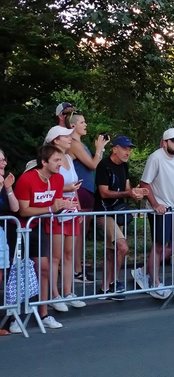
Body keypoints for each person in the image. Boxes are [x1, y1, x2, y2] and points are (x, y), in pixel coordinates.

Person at [14, 145, 79, 329]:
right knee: (19, 271)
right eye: (57, 161)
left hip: (39, 228)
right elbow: (23, 209)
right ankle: (16, 316)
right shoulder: (27, 179)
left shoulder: (57, 179)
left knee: (43, 268)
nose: (61, 164)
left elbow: (55, 205)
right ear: (44, 162)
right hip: (19, 229)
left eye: (61, 160)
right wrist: (52, 208)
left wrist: (66, 206)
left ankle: (44, 314)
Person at [133, 128, 174, 300]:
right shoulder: (156, 157)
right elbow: (144, 183)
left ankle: (144, 270)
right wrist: (155, 205)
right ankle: (154, 282)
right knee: (159, 245)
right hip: (160, 210)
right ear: (165, 142)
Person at [94, 135, 147, 299]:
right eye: (125, 148)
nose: (128, 152)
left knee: (112, 251)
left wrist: (135, 193)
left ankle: (105, 287)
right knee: (122, 247)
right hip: (104, 211)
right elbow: (103, 192)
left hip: (118, 211)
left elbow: (127, 187)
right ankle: (113, 283)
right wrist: (128, 193)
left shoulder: (124, 166)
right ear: (114, 148)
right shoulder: (103, 165)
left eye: (130, 148)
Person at [44, 126, 86, 311]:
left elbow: (74, 187)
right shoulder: (51, 160)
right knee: (55, 256)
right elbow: (49, 187)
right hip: (57, 211)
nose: (70, 138)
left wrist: (79, 208)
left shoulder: (68, 158)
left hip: (71, 212)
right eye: (66, 136)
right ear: (55, 140)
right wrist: (69, 190)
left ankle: (68, 292)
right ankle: (55, 294)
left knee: (69, 254)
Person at [67, 112, 108, 283]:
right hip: (81, 189)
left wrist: (100, 149)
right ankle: (76, 271)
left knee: (81, 233)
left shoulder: (80, 144)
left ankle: (78, 268)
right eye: (82, 122)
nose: (85, 125)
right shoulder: (74, 144)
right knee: (78, 232)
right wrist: (98, 149)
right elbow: (92, 164)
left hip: (87, 189)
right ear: (73, 125)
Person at [0, 149, 19, 335]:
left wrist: (8, 188)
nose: (3, 164)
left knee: (3, 277)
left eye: (4, 160)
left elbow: (15, 207)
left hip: (5, 233)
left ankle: (3, 322)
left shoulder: (5, 183)